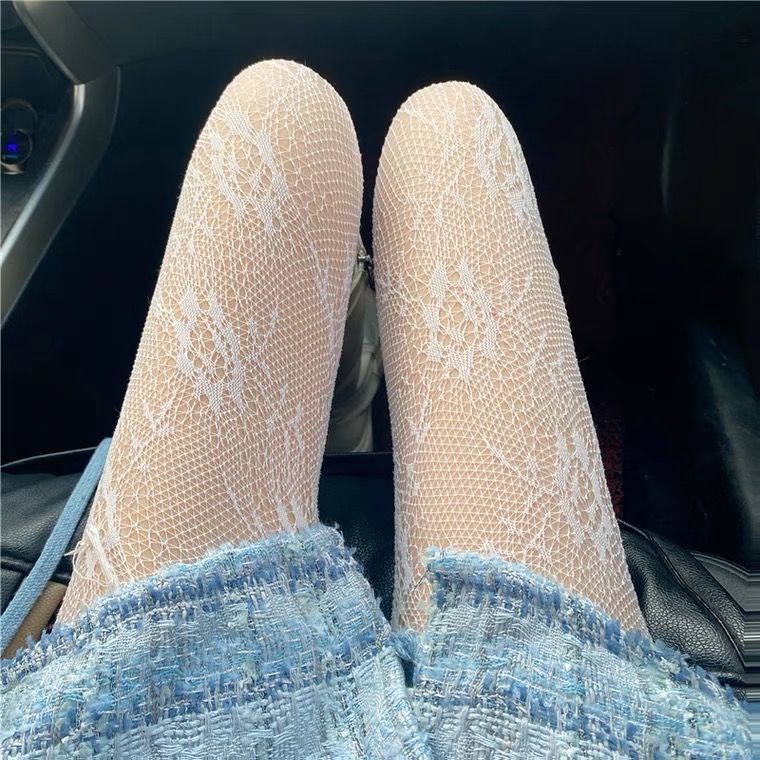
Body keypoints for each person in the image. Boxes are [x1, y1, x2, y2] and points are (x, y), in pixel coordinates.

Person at [1, 60, 748, 758]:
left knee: (283, 112)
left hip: (155, 711)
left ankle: (338, 380)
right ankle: (349, 376)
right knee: (449, 129)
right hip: (566, 722)